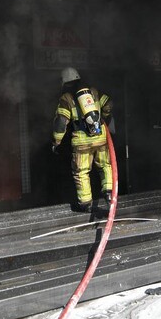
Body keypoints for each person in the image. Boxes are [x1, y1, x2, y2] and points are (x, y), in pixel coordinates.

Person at [50, 67, 114, 211]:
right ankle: (109, 193)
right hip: (100, 137)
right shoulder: (94, 92)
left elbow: (61, 122)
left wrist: (56, 141)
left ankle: (85, 204)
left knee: (81, 172)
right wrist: (103, 117)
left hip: (81, 142)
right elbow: (109, 103)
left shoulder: (66, 98)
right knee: (105, 165)